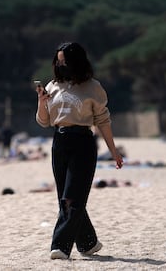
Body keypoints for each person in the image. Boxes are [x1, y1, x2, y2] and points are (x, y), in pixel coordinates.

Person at [35, 42, 123, 260]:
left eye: (64, 61)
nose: (60, 65)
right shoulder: (53, 86)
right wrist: (41, 102)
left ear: (76, 62)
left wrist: (114, 151)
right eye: (58, 61)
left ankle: (60, 246)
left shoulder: (93, 87)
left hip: (83, 142)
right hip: (59, 142)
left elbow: (103, 121)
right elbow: (44, 121)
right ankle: (88, 243)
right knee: (65, 197)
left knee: (72, 198)